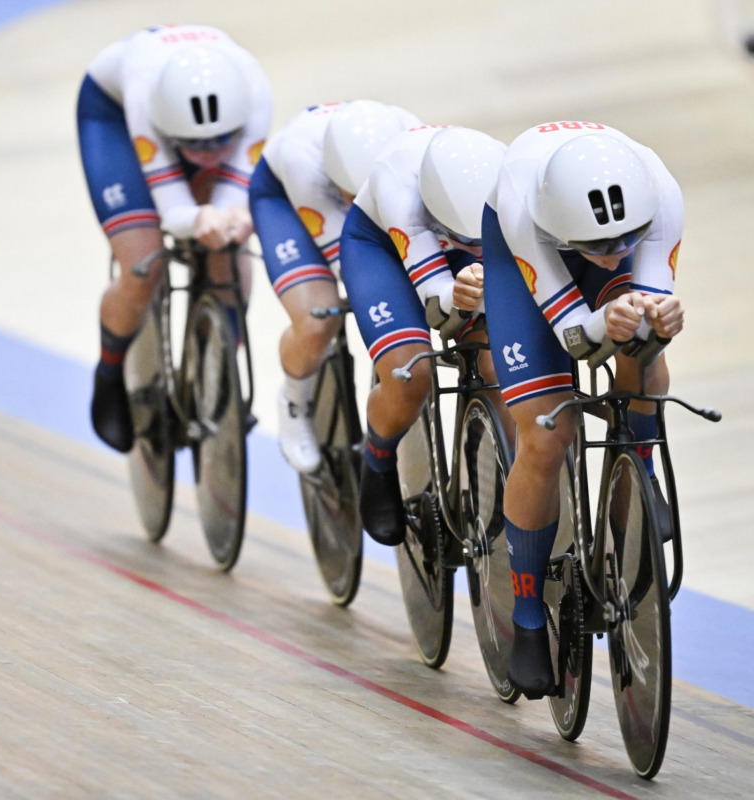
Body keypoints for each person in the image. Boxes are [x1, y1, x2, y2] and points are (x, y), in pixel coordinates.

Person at [480, 120, 685, 699]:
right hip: (527, 261)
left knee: (643, 346)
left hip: (588, 228)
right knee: (547, 432)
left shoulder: (661, 195)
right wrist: (602, 320)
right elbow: (575, 336)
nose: (613, 254)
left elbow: (649, 301)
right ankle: (525, 616)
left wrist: (657, 319)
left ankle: (637, 471)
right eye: (598, 248)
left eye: (625, 241)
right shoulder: (524, 208)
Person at [77, 24, 272, 452]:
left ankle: (218, 371)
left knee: (230, 240)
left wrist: (229, 218)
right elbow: (175, 210)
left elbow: (230, 202)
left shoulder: (255, 95)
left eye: (221, 142)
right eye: (195, 146)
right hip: (113, 118)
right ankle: (109, 372)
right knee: (143, 263)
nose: (208, 156)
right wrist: (201, 216)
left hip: (193, 120)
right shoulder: (144, 99)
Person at [340, 125, 514, 546]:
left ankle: (482, 462)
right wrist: (461, 292)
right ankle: (378, 460)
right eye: (463, 237)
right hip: (383, 250)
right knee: (409, 376)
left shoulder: (514, 177)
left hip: (459, 249)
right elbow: (437, 303)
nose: (472, 245)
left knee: (499, 366)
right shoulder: (398, 186)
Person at [248, 101, 421, 473]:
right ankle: (294, 398)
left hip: (370, 191)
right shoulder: (302, 163)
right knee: (317, 318)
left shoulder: (415, 142)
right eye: (353, 194)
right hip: (286, 199)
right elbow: (349, 263)